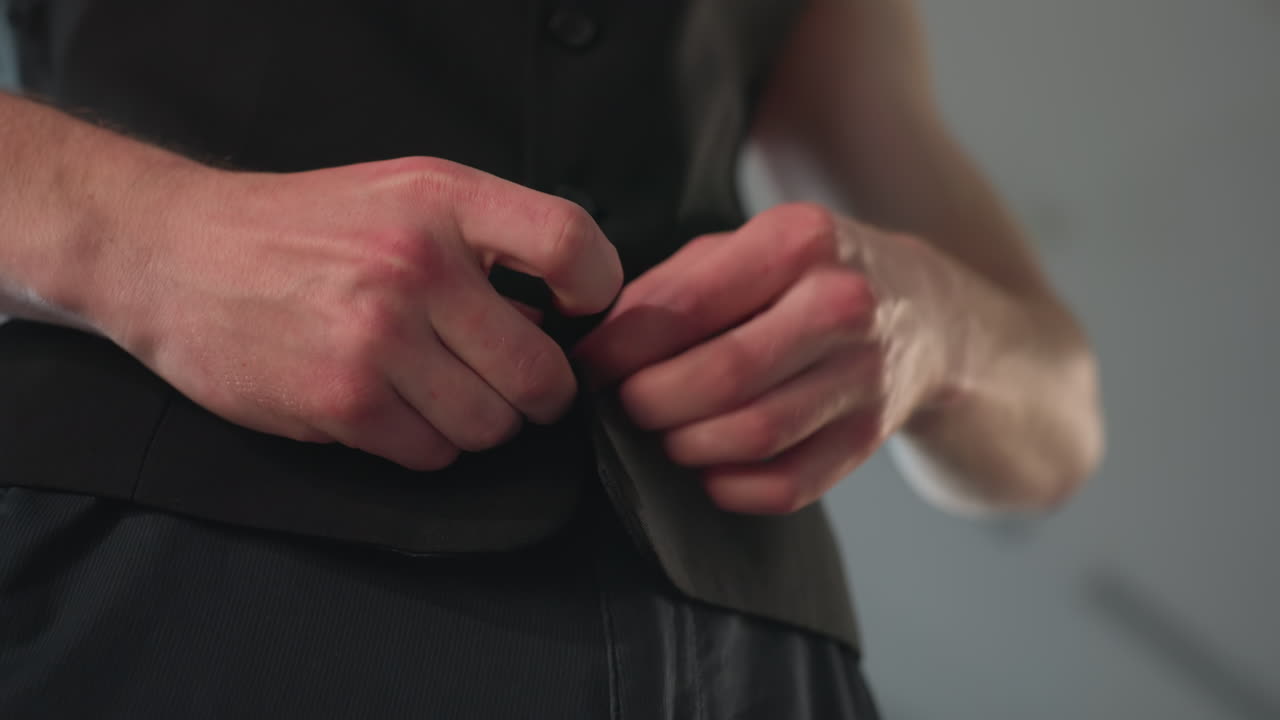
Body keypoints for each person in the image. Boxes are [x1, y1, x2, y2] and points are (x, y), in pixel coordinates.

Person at [0, 0, 1103, 717]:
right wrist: (159, 235)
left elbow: (1060, 426)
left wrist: (933, 325)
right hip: (178, 582)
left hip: (762, 662)